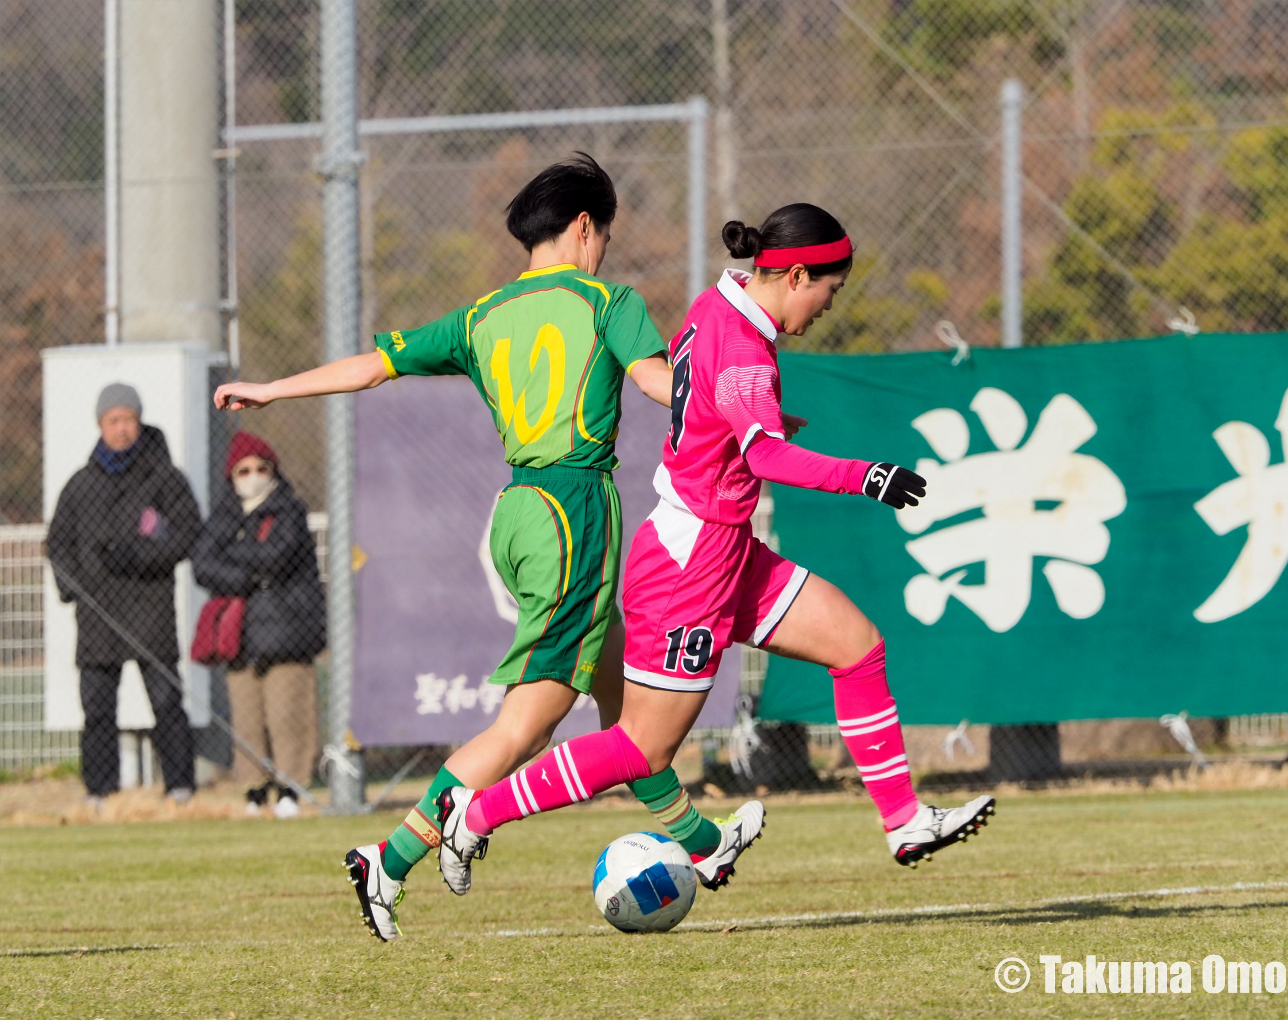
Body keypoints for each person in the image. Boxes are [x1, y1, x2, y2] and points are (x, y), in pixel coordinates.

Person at [213, 154, 762, 941]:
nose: (603, 249)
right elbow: (653, 382)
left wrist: (269, 389)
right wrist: (744, 406)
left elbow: (374, 366)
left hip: (516, 513)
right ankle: (390, 858)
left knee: (620, 704)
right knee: (523, 730)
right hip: (574, 512)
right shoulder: (609, 300)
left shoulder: (481, 315)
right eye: (603, 234)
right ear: (583, 229)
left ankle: (701, 846)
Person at [434, 204, 997, 885]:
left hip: (724, 546)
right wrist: (867, 476)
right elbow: (768, 460)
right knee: (640, 749)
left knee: (857, 646)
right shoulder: (745, 348)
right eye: (829, 289)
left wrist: (742, 418)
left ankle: (904, 821)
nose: (826, 305)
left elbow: (695, 395)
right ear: (795, 275)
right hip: (691, 561)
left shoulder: (716, 303)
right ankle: (474, 815)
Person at [46, 383, 203, 807]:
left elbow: (187, 532)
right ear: (100, 424)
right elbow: (57, 543)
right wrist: (74, 587)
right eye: (113, 420)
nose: (121, 428)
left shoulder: (164, 478)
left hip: (150, 608)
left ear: (140, 421)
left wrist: (139, 555)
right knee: (97, 707)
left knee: (166, 700)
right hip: (97, 614)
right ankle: (99, 791)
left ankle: (180, 787)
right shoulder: (80, 485)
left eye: (128, 419)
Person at [192, 431, 326, 818]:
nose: (252, 476)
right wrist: (247, 575)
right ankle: (254, 789)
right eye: (243, 470)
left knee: (288, 714)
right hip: (241, 636)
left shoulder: (289, 510)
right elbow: (202, 563)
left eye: (260, 468)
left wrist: (231, 555)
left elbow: (277, 558)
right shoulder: (224, 515)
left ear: (273, 471)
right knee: (247, 717)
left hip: (287, 631)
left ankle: (291, 788)